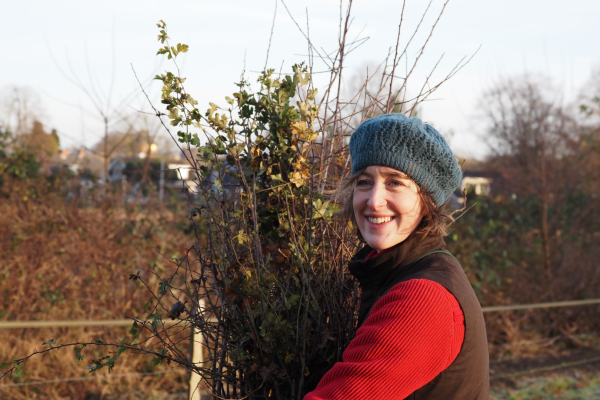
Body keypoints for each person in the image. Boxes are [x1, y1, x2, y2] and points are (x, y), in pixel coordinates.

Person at [304, 114, 489, 400]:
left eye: (395, 183)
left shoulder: (423, 297)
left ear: (427, 201)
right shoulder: (402, 270)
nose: (374, 200)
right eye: (364, 182)